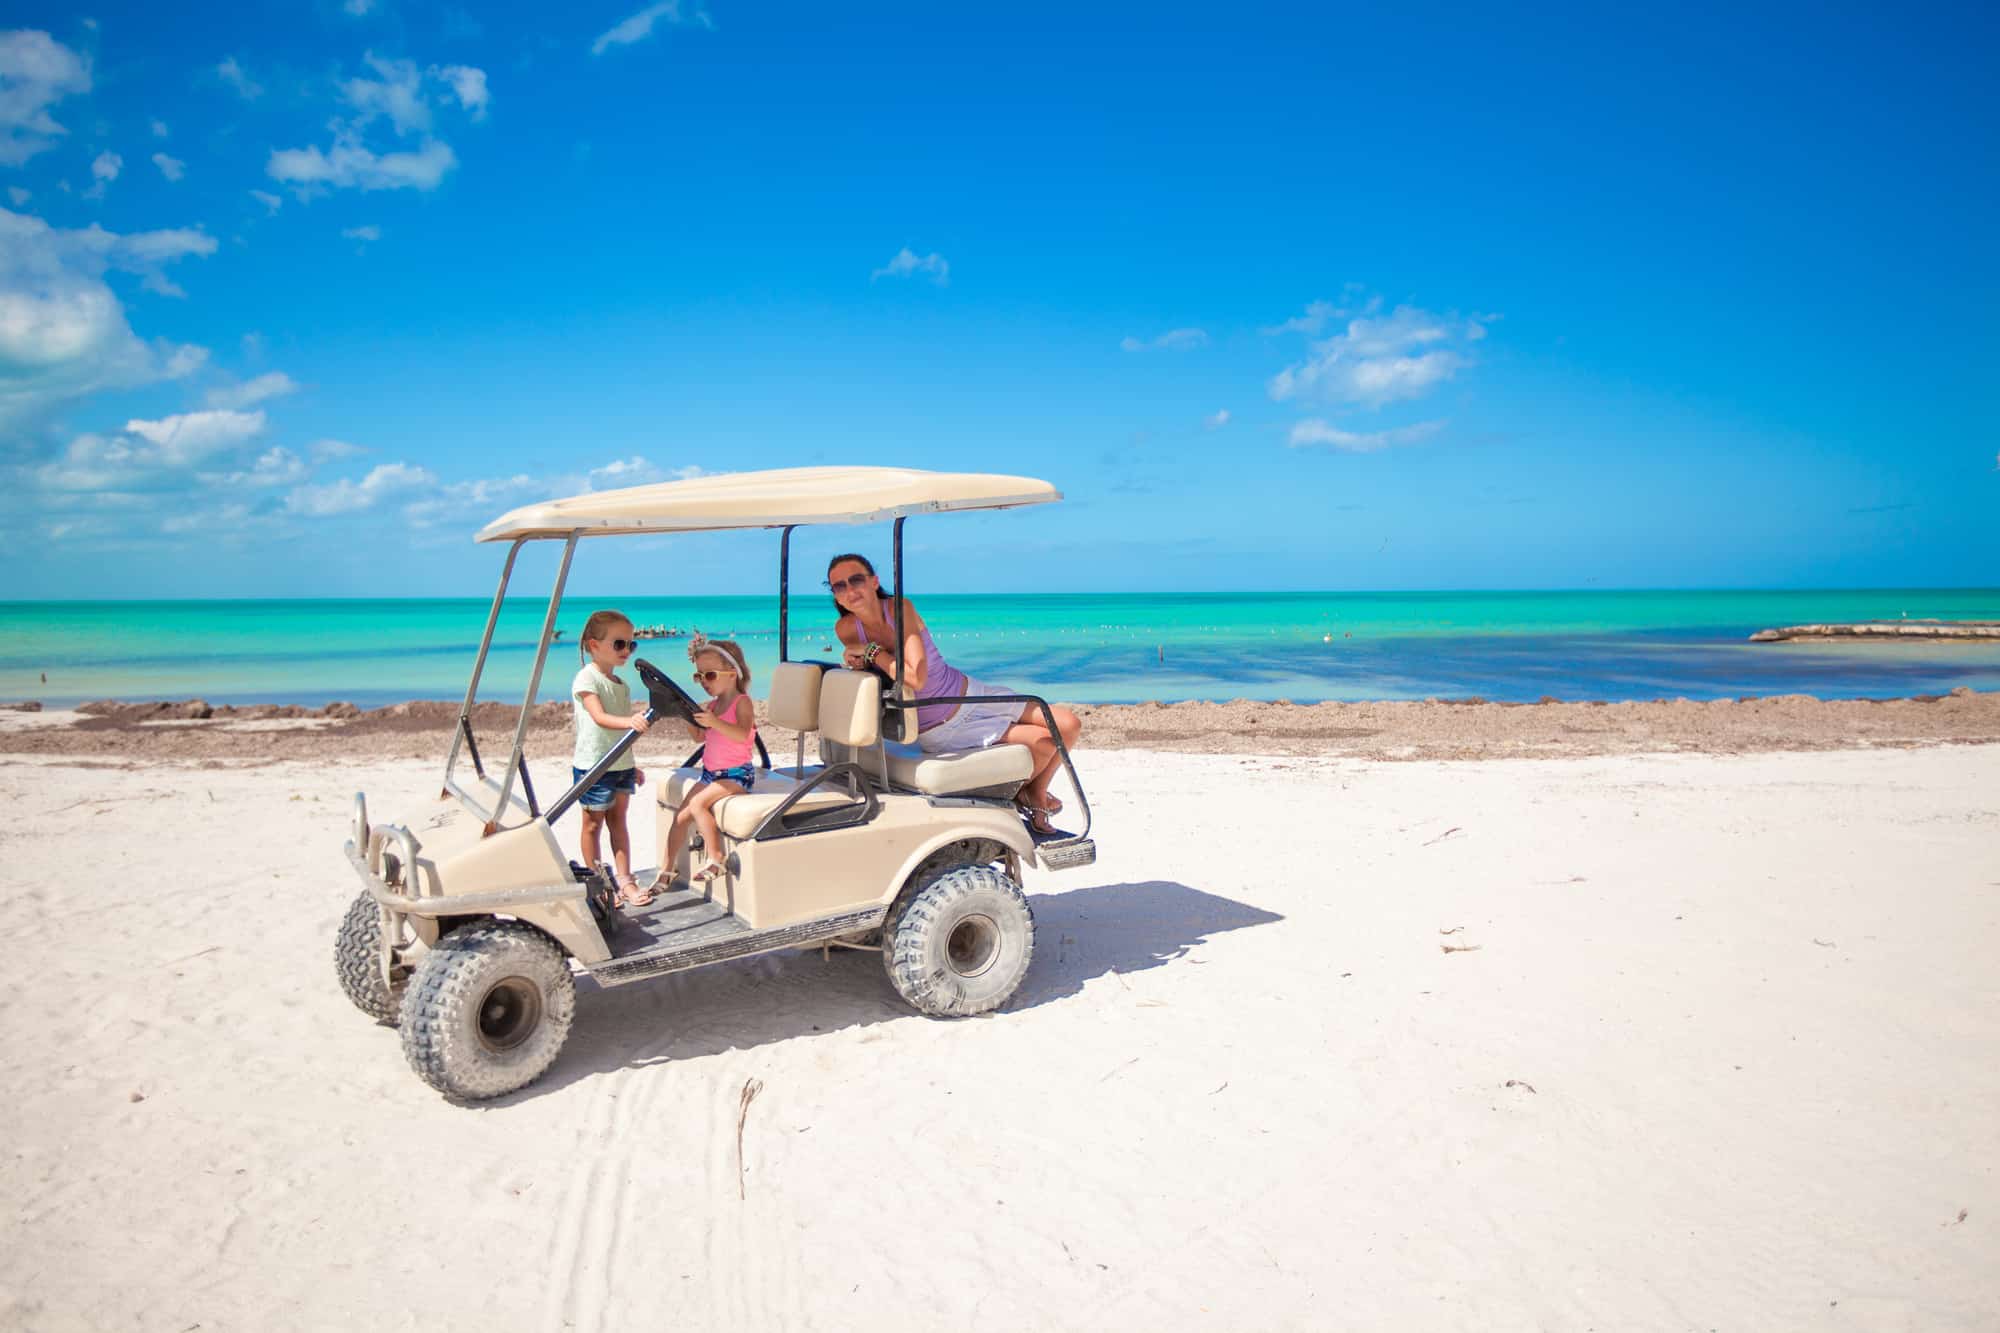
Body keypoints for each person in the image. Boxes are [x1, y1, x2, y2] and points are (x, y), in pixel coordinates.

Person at [827, 553, 1081, 833]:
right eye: (839, 586)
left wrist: (872, 653)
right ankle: (1030, 796)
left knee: (1069, 724)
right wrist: (863, 658)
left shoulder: (899, 608)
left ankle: (1035, 792)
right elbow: (912, 681)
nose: (850, 590)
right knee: (1044, 743)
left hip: (968, 692)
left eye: (856, 580)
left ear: (874, 582)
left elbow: (915, 675)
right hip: (941, 726)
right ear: (836, 597)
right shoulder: (847, 629)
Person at [571, 609, 652, 907]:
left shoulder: (621, 684)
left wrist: (632, 764)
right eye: (619, 644)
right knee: (592, 824)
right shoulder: (586, 678)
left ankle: (625, 880)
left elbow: (618, 733)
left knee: (619, 822)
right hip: (594, 766)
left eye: (632, 645)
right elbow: (600, 718)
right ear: (594, 645)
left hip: (619, 764)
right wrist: (631, 721)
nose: (627, 651)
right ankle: (598, 882)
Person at [663, 635, 758, 885]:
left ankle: (717, 859)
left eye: (710, 675)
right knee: (680, 815)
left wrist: (715, 722)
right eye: (699, 676)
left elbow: (742, 734)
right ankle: (667, 868)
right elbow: (698, 737)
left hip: (737, 774)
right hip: (710, 774)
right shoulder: (712, 706)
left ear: (732, 673)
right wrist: (686, 716)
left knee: (697, 806)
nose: (704, 681)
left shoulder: (742, 703)